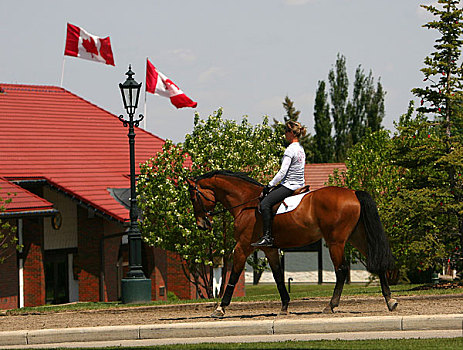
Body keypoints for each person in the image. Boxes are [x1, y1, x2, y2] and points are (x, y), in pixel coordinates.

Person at [251, 120, 306, 247]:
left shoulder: (290, 150)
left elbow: (282, 172)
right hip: (300, 184)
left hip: (289, 185)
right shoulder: (301, 149)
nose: (285, 135)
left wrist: (269, 186)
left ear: (291, 133)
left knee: (265, 204)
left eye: (286, 132)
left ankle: (267, 237)